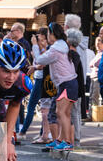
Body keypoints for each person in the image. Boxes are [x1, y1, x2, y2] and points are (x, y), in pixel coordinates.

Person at [33, 22, 78, 152]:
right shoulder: (61, 46)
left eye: (48, 34)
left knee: (61, 113)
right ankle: (61, 139)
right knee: (63, 113)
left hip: (67, 83)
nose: (47, 36)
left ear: (53, 34)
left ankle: (67, 142)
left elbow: (40, 60)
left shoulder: (56, 48)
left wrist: (36, 47)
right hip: (68, 82)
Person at [19, 27, 48, 140]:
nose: (38, 39)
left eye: (40, 37)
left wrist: (35, 46)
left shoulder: (45, 47)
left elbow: (41, 61)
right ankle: (42, 132)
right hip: (38, 77)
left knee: (33, 105)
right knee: (43, 106)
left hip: (41, 78)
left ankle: (23, 132)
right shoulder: (42, 47)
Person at [66, 28, 86, 145]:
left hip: (73, 88)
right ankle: (76, 138)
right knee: (75, 113)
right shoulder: (76, 54)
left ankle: (76, 139)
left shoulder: (72, 55)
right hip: (77, 88)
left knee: (74, 113)